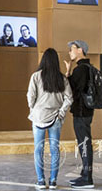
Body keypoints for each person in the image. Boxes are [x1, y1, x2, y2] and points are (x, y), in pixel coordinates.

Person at [28, 48, 73, 189]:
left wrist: (33, 109)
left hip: (38, 117)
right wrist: (61, 113)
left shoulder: (36, 76)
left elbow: (30, 97)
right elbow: (69, 98)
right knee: (55, 151)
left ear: (44, 60)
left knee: (38, 150)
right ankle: (53, 181)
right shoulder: (62, 78)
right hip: (56, 118)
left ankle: (41, 181)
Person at [64, 40, 95, 189]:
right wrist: (69, 71)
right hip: (85, 111)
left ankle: (87, 178)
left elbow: (71, 91)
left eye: (72, 49)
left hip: (81, 112)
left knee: (84, 143)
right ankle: (85, 174)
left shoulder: (81, 70)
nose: (70, 52)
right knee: (84, 142)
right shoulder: (87, 68)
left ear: (80, 50)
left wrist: (68, 74)